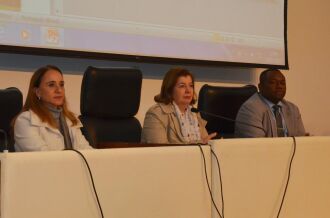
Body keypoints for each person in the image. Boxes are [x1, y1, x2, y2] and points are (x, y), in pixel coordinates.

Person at [14, 65, 93, 151]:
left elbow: (87, 153)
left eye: (61, 85)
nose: (59, 90)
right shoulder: (25, 120)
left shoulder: (71, 119)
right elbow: (43, 158)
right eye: (51, 85)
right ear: (38, 92)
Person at [141, 67, 217, 144]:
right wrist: (198, 143)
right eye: (182, 86)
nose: (188, 90)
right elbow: (159, 150)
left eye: (191, 86)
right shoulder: (156, 113)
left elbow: (205, 143)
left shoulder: (194, 113)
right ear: (170, 90)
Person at [235, 69, 306, 138]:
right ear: (260, 87)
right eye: (273, 82)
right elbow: (258, 144)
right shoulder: (250, 109)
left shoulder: (292, 109)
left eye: (282, 83)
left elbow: (301, 140)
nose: (279, 86)